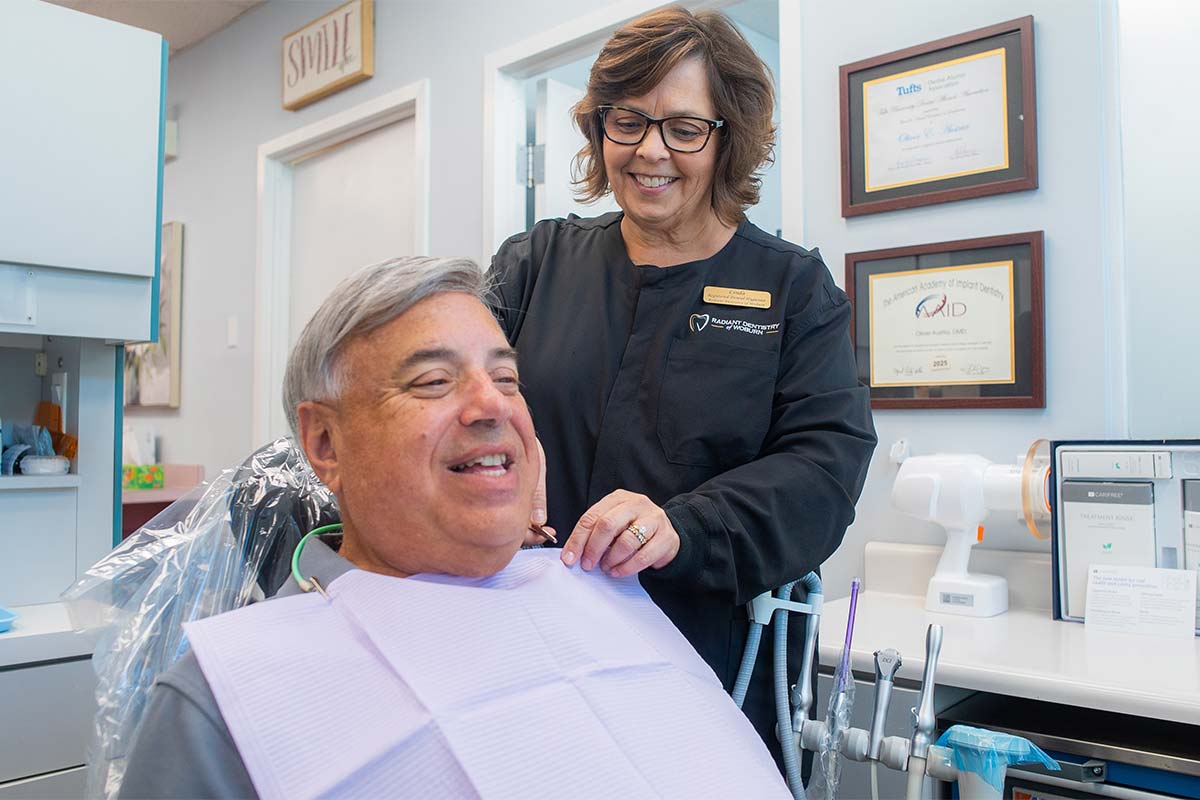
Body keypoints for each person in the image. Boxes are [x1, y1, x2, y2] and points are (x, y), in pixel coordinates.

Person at [117, 257, 790, 799]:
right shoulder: (230, 699)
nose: (491, 405)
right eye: (435, 381)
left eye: (508, 378)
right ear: (324, 442)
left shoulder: (602, 596)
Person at [490, 7, 877, 762]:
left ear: (727, 137)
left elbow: (824, 467)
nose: (649, 151)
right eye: (626, 122)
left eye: (684, 129)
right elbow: (468, 399)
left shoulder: (791, 289)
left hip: (708, 659)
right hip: (533, 647)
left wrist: (683, 527)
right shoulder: (535, 265)